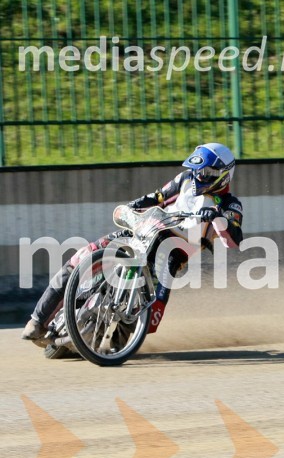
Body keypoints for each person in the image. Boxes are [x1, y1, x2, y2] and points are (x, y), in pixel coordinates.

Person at [21, 143, 244, 342]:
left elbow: (233, 240)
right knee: (82, 256)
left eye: (206, 172)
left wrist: (217, 217)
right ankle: (38, 319)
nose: (199, 176)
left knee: (152, 314)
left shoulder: (229, 204)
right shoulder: (185, 179)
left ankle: (116, 341)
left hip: (171, 253)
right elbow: (158, 197)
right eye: (197, 170)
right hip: (145, 230)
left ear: (224, 174)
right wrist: (133, 206)